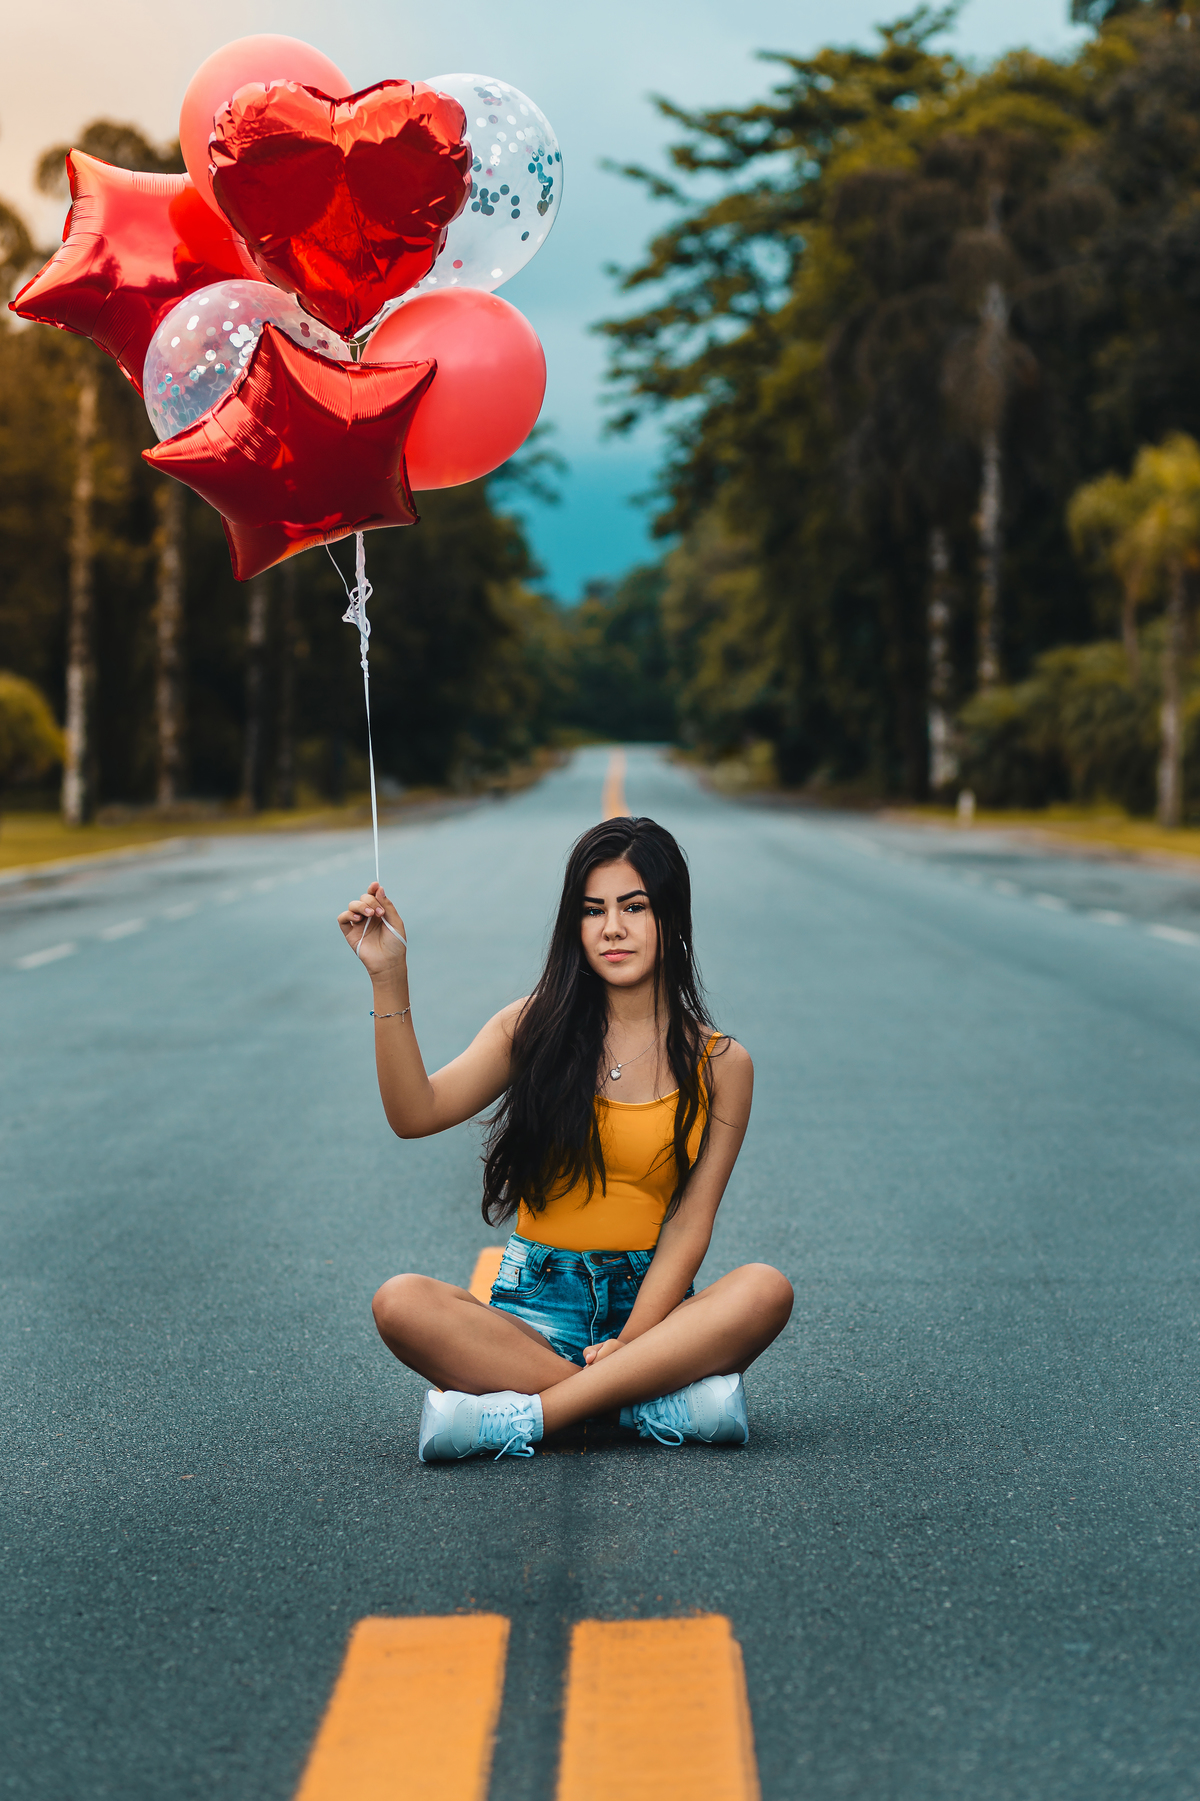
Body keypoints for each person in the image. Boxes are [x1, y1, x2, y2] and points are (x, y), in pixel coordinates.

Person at [337, 815, 793, 1462]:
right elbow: (415, 1112)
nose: (612, 927)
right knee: (400, 1302)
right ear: (573, 926)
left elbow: (690, 1224)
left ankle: (525, 1418)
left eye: (634, 906)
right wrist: (389, 977)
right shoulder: (530, 1026)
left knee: (765, 1289)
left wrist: (635, 1341)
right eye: (593, 909)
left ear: (672, 917)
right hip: (533, 1315)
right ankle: (646, 1405)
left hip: (655, 1315)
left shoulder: (723, 1064)